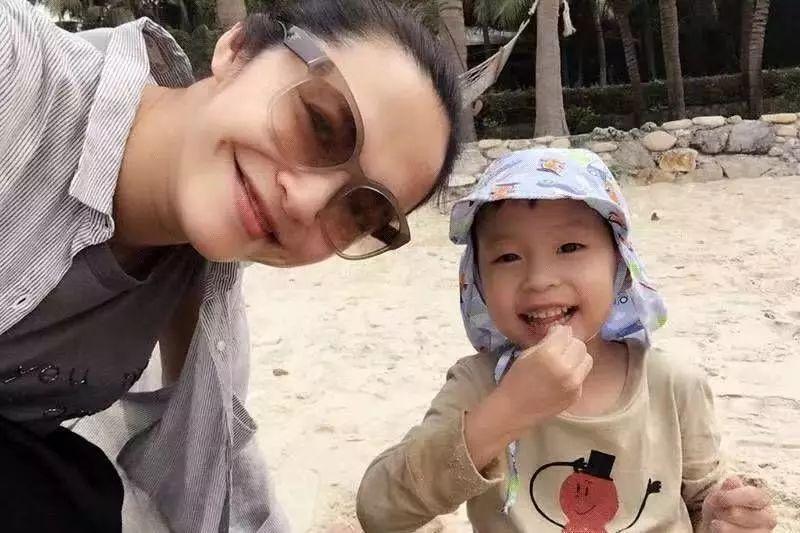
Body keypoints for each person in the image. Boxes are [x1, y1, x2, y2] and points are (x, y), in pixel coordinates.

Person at [0, 0, 461, 531]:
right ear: (238, 50)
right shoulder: (18, 70)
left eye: (358, 212)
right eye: (319, 125)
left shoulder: (200, 296)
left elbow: (218, 474)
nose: (306, 202)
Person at [356, 148, 778, 533]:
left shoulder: (673, 383)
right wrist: (505, 412)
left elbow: (703, 498)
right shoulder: (478, 386)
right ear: (477, 281)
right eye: (507, 257)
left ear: (620, 265)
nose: (540, 280)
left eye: (570, 247)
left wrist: (725, 515)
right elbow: (379, 510)